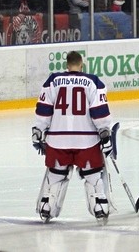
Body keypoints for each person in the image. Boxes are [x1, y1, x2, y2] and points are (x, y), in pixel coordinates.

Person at [32, 51, 114, 224]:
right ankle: (100, 206)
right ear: (81, 65)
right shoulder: (93, 81)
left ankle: (47, 206)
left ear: (66, 65)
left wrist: (38, 131)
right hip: (87, 140)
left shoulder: (53, 81)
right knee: (93, 176)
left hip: (58, 139)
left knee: (56, 175)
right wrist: (105, 133)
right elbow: (99, 112)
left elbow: (44, 109)